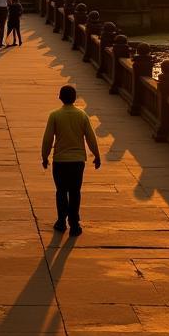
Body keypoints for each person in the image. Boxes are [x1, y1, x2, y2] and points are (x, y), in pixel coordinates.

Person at [41, 84, 101, 238]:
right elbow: (90, 138)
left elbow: (48, 139)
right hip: (77, 161)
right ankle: (74, 224)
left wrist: (45, 156)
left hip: (60, 160)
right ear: (75, 98)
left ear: (60, 97)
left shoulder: (55, 115)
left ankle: (61, 221)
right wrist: (97, 155)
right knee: (75, 192)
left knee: (61, 191)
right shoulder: (82, 115)